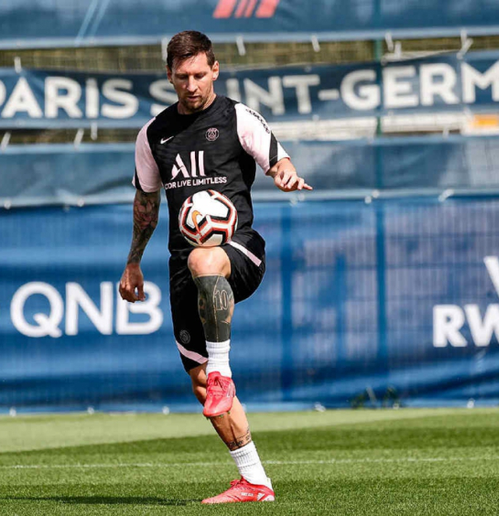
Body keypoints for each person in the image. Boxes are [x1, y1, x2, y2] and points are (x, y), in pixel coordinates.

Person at [118, 30, 312, 504]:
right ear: (169, 75)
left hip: (238, 251)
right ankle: (255, 481)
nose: (191, 84)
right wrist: (133, 263)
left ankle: (224, 371)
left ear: (215, 70)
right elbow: (147, 205)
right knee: (201, 383)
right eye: (181, 76)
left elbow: (276, 158)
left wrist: (284, 173)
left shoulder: (236, 117)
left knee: (207, 256)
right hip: (183, 267)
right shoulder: (153, 135)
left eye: (200, 74)